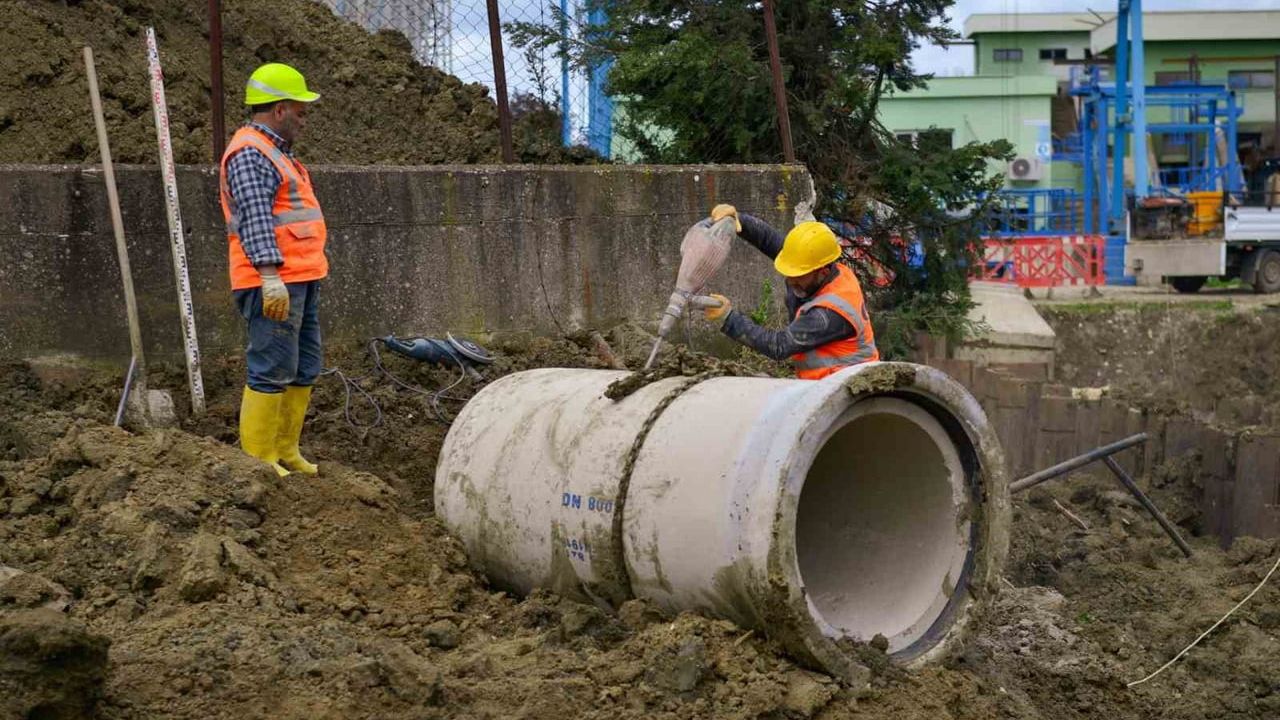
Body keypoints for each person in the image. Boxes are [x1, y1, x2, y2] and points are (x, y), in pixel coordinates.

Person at [218, 63, 326, 476]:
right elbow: (255, 218)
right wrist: (268, 276)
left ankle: (285, 450)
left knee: (303, 366)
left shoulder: (276, 152)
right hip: (273, 281)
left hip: (300, 278)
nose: (304, 117)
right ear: (280, 109)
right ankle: (259, 461)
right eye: (300, 109)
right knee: (272, 367)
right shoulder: (250, 152)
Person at [702, 204, 879, 379]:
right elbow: (769, 240)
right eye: (789, 273)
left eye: (798, 276)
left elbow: (778, 346)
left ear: (822, 272)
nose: (791, 280)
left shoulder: (828, 314)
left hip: (847, 391)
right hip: (822, 384)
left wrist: (728, 317)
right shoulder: (817, 266)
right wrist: (738, 221)